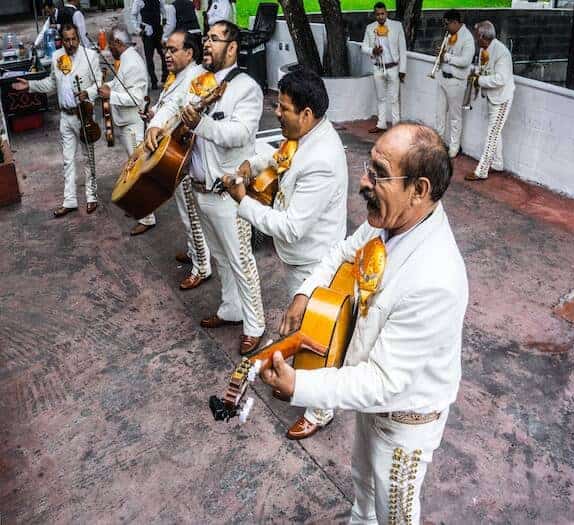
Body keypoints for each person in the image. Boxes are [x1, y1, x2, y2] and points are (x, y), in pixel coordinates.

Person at [260, 122, 468, 525]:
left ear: (419, 190)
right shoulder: (391, 222)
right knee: (363, 492)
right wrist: (306, 292)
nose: (363, 181)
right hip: (371, 408)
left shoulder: (436, 279)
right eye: (368, 167)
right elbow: (342, 252)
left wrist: (300, 385)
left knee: (395, 516)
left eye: (378, 173)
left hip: (404, 425)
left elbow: (383, 382)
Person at [221, 67, 348, 440]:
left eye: (283, 107)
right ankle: (303, 384)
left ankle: (320, 409)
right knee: (303, 333)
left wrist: (244, 202)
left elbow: (292, 226)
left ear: (306, 114)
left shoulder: (321, 159)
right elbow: (279, 155)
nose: (276, 112)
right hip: (299, 258)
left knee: (314, 339)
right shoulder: (305, 136)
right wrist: (253, 164)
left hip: (314, 263)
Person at [145, 20, 265, 355]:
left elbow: (240, 134)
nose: (207, 44)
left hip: (229, 194)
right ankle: (231, 309)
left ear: (233, 47)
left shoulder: (246, 88)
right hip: (200, 189)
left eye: (215, 39)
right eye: (207, 38)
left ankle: (255, 325)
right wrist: (157, 124)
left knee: (242, 260)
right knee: (221, 258)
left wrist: (203, 124)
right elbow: (171, 105)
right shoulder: (200, 82)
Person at [142, 29, 212, 289]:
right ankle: (195, 252)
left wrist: (161, 123)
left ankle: (201, 267)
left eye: (173, 50)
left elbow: (186, 118)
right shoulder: (178, 77)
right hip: (173, 154)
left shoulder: (195, 79)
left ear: (189, 53)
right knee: (187, 214)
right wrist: (153, 117)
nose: (166, 54)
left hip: (183, 158)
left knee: (191, 215)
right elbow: (169, 108)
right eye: (166, 49)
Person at [12, 24, 102, 218]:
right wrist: (31, 85)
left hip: (84, 116)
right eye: (66, 40)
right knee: (68, 161)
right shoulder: (57, 57)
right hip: (65, 117)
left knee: (89, 158)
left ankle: (92, 196)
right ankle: (69, 201)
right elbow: (52, 83)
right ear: (62, 40)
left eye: (73, 39)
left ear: (78, 38)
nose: (70, 43)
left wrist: (89, 92)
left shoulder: (90, 56)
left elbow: (99, 84)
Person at [86, 25, 152, 235]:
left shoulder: (132, 63)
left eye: (110, 45)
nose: (108, 49)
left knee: (138, 172)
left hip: (132, 125)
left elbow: (135, 99)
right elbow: (122, 84)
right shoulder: (126, 59)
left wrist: (109, 95)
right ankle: (140, 207)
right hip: (126, 123)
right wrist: (107, 88)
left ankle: (148, 217)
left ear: (118, 43)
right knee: (132, 170)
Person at [465, 21, 516, 182]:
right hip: (492, 96)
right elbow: (483, 68)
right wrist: (476, 74)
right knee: (495, 131)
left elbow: (501, 79)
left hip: (502, 98)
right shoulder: (483, 50)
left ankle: (481, 171)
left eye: (476, 35)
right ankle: (498, 163)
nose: (475, 38)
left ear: (482, 36)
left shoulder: (502, 52)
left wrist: (479, 80)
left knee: (492, 134)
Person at [361, 2, 407, 134]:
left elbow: (402, 49)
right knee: (380, 98)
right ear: (375, 14)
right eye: (378, 14)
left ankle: (396, 126)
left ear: (386, 13)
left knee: (394, 98)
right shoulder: (370, 28)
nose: (380, 16)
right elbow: (364, 47)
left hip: (393, 67)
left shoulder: (396, 26)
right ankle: (381, 124)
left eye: (382, 13)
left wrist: (402, 70)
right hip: (378, 67)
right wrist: (372, 51)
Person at [435, 9, 475, 159]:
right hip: (442, 78)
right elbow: (444, 56)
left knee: (455, 117)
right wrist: (440, 56)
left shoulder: (467, 38)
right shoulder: (449, 35)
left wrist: (446, 57)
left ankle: (453, 147)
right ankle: (438, 144)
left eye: (447, 24)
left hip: (456, 82)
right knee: (439, 114)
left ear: (455, 22)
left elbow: (465, 61)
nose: (445, 27)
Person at [130, 0, 168, 89]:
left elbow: (164, 10)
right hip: (147, 31)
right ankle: (153, 81)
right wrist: (138, 30)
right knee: (149, 58)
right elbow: (133, 15)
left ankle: (165, 77)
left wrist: (165, 21)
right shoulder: (138, 1)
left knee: (164, 54)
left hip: (159, 30)